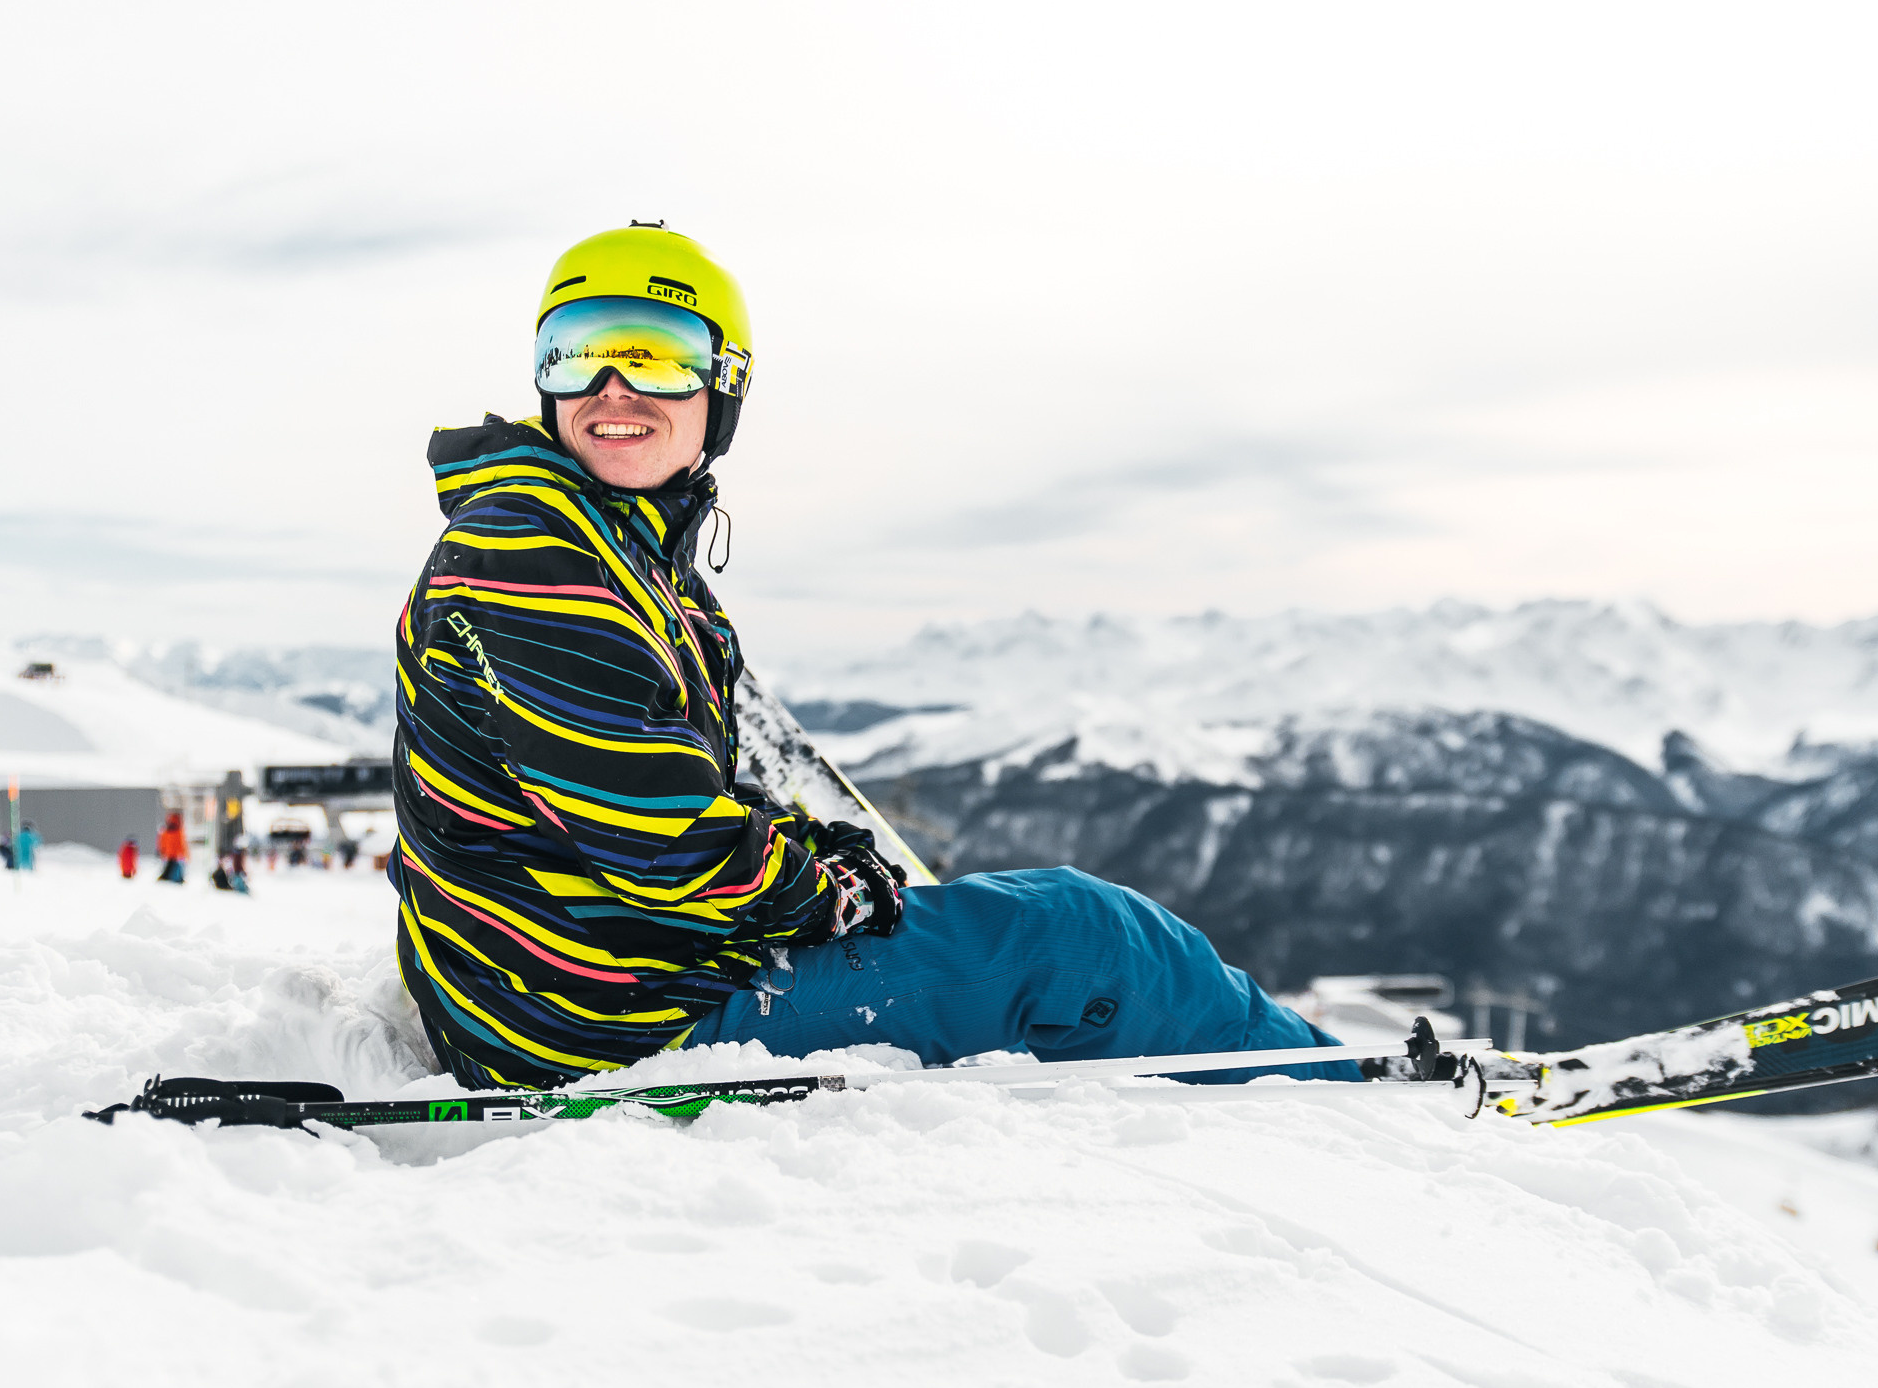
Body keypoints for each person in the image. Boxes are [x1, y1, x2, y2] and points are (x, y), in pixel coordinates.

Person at [390, 223, 1360, 1090]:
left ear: (721, 384)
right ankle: (1341, 1093)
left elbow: (650, 786)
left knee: (1057, 922)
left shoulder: (614, 548)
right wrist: (824, 890)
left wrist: (814, 851)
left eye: (657, 357)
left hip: (550, 978)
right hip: (605, 1019)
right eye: (579, 354)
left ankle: (1302, 1064)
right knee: (1086, 938)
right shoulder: (534, 559)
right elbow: (659, 845)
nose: (614, 388)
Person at [155, 812, 189, 883]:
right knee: (172, 867)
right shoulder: (179, 831)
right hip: (174, 855)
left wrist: (161, 851)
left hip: (171, 855)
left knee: (170, 867)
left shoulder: (166, 831)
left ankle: (169, 878)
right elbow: (181, 844)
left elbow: (163, 843)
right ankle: (175, 878)